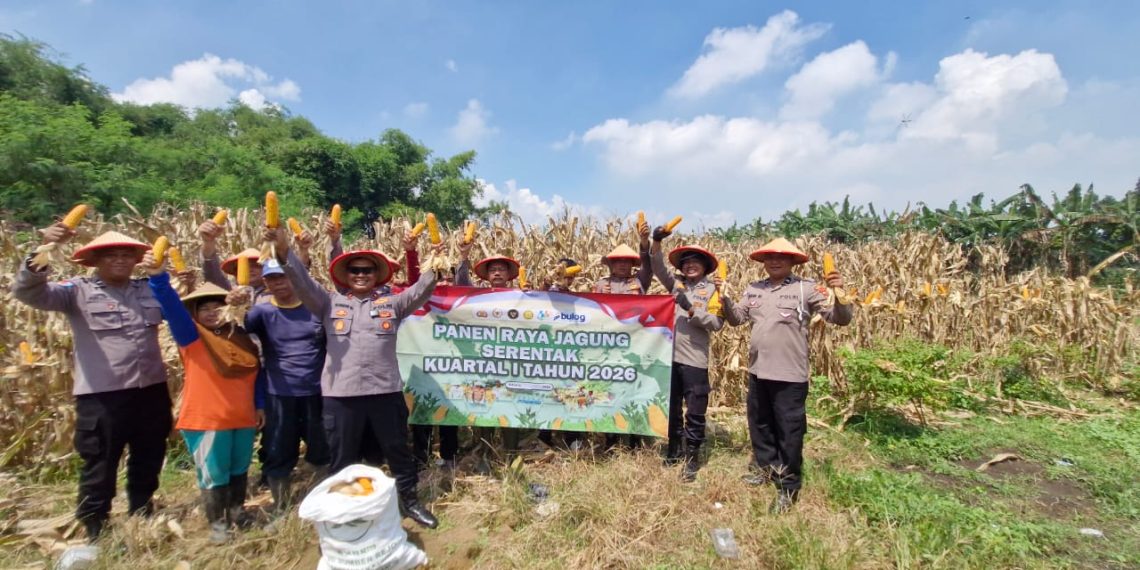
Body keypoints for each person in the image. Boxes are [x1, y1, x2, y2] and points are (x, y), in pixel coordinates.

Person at [268, 225, 442, 529]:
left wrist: (438, 261)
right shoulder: (327, 303)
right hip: (342, 396)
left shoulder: (393, 304)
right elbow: (300, 280)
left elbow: (422, 289)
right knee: (343, 458)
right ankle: (345, 512)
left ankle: (409, 502)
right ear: (345, 276)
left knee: (398, 452)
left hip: (385, 392)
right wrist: (284, 251)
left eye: (367, 270)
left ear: (377, 275)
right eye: (355, 270)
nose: (361, 275)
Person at [13, 228, 172, 543]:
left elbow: (182, 310)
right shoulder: (76, 291)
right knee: (100, 461)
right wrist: (45, 248)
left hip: (151, 390)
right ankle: (96, 524)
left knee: (150, 453)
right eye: (111, 255)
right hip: (102, 395)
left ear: (136, 260)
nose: (120, 260)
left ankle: (142, 510)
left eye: (127, 255)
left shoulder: (148, 289)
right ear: (95, 260)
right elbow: (29, 293)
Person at [719, 238, 852, 514]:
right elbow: (736, 319)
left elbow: (840, 318)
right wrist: (723, 300)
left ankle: (789, 485)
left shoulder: (806, 289)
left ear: (793, 262)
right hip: (758, 371)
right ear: (763, 262)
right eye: (769, 257)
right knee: (760, 425)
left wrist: (840, 293)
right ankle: (766, 469)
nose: (775, 261)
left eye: (781, 257)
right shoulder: (754, 289)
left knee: (789, 431)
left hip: (790, 375)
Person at [144, 251, 265, 543]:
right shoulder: (192, 338)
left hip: (243, 417)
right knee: (214, 475)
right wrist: (159, 276)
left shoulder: (242, 337)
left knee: (239, 470)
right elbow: (171, 307)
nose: (212, 312)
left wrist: (260, 405)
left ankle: (238, 513)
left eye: (218, 306)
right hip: (208, 419)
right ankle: (218, 527)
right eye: (204, 308)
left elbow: (256, 374)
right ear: (195, 314)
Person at [238, 258, 329, 517]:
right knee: (280, 451)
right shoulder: (260, 313)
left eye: (284, 276)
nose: (280, 283)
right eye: (273, 279)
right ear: (265, 282)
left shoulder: (316, 309)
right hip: (279, 394)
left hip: (316, 392)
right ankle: (281, 506)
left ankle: (320, 503)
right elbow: (230, 329)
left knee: (321, 450)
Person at [650, 225, 724, 481]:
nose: (690, 266)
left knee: (694, 410)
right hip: (669, 357)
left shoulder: (713, 290)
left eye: (696, 262)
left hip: (694, 359)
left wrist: (692, 310)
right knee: (671, 408)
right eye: (687, 263)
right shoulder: (676, 285)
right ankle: (674, 450)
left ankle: (692, 457)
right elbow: (658, 268)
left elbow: (716, 323)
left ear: (705, 266)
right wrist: (656, 241)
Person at [455, 242, 524, 459]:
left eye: (501, 269)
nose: (496, 272)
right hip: (483, 361)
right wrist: (463, 258)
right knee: (486, 404)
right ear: (486, 275)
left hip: (511, 363)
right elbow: (460, 285)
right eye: (492, 270)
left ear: (509, 274)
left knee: (510, 406)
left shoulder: (522, 296)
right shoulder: (477, 296)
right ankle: (485, 451)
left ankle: (511, 454)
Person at [596, 222, 654, 450]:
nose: (621, 265)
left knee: (634, 390)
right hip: (608, 348)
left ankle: (635, 440)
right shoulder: (600, 285)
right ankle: (611, 439)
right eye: (617, 261)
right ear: (610, 264)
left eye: (626, 262)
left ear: (632, 265)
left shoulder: (639, 282)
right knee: (610, 390)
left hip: (635, 346)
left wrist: (644, 243)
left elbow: (648, 266)